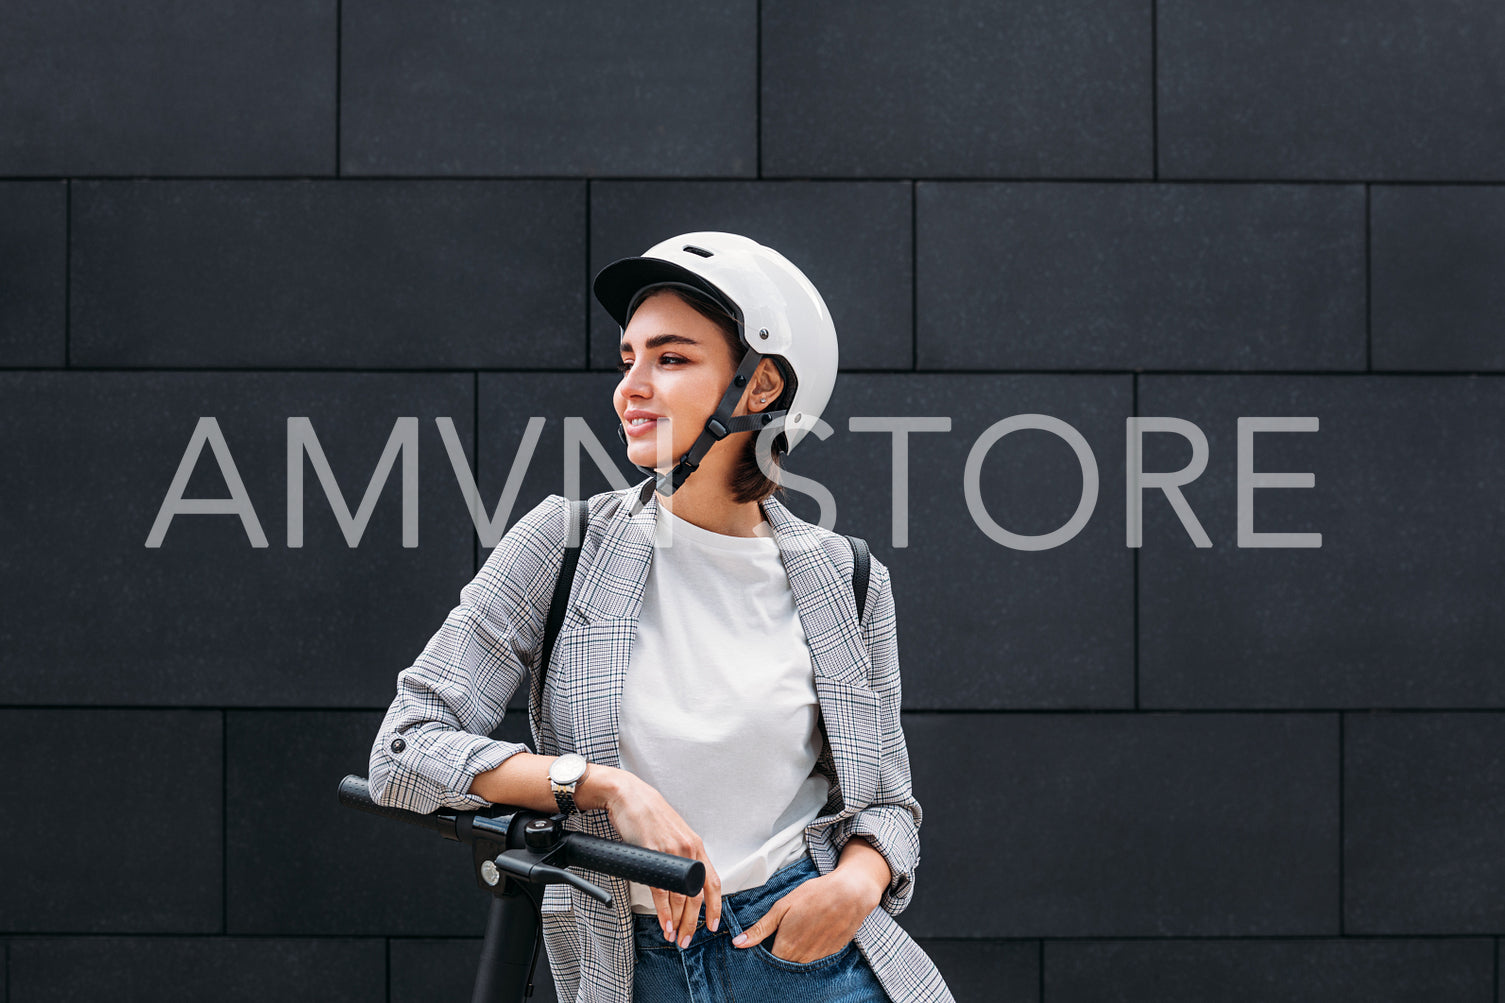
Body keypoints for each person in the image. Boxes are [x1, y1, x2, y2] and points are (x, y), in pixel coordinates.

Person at [368, 232, 954, 1003]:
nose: (629, 387)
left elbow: (886, 803)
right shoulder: (564, 544)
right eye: (627, 359)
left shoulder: (846, 578)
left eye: (670, 359)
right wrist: (602, 787)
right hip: (633, 966)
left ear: (759, 385)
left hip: (817, 964)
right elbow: (403, 751)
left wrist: (857, 880)